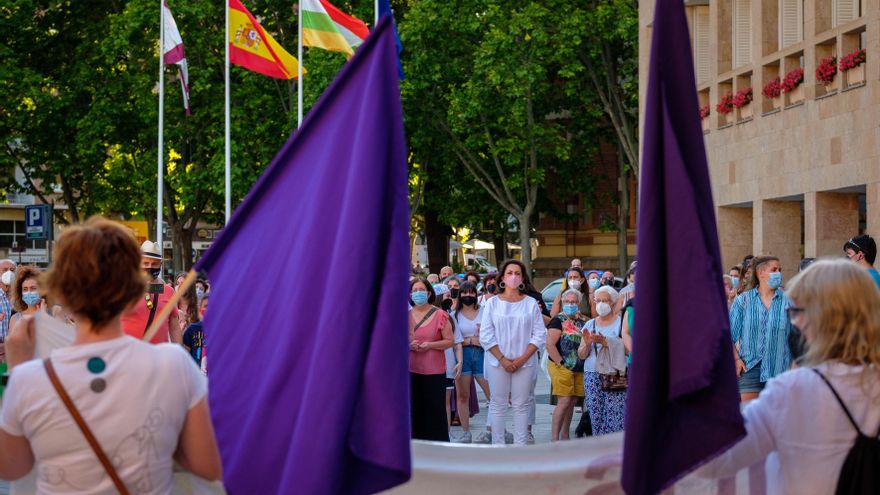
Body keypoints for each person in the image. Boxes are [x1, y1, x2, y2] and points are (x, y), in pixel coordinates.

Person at [0, 217, 221, 491]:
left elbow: (11, 467)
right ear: (134, 290)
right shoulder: (173, 366)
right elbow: (208, 466)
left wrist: (18, 367)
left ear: (64, 294)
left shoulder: (30, 379)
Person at [698, 259, 880, 493]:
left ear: (821, 317)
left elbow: (714, 460)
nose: (794, 321)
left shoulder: (793, 389)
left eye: (797, 310)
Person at [479, 260, 547, 445]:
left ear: (523, 277)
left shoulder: (531, 303)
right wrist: (503, 359)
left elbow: (539, 334)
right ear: (502, 277)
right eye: (509, 273)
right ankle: (498, 447)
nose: (513, 277)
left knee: (521, 405)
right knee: (498, 404)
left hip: (524, 363)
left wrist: (521, 359)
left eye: (517, 273)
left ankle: (520, 447)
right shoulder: (492, 304)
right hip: (497, 362)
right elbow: (486, 335)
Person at [730, 256, 793, 401]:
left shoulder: (789, 301)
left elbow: (797, 338)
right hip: (749, 369)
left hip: (780, 371)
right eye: (774, 270)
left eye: (780, 270)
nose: (779, 273)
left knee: (778, 420)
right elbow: (730, 335)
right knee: (750, 419)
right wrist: (736, 359)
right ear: (761, 273)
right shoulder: (743, 300)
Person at [409, 278, 454, 441]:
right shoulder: (405, 315)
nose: (418, 293)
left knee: (435, 409)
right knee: (414, 409)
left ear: (429, 293)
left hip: (434, 371)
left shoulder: (440, 315)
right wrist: (408, 345)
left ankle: (438, 447)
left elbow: (450, 341)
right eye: (414, 290)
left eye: (421, 290)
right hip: (411, 370)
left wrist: (431, 345)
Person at [577, 286, 626, 435]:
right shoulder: (589, 324)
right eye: (598, 301)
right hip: (592, 374)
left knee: (614, 413)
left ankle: (614, 447)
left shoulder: (620, 323)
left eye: (605, 301)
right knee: (595, 413)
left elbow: (628, 349)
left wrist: (606, 342)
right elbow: (581, 354)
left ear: (612, 303)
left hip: (614, 373)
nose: (601, 304)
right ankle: (599, 445)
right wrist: (587, 344)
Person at [120, 241, 182, 344]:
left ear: (160, 265)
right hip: (129, 353)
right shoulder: (125, 287)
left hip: (158, 354)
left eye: (154, 264)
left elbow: (174, 326)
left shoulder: (168, 291)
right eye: (146, 263)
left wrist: (179, 353)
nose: (150, 267)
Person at [546, 289, 587, 441]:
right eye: (568, 302)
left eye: (574, 302)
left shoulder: (582, 321)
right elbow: (550, 345)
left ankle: (565, 435)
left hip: (578, 366)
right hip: (561, 365)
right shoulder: (558, 320)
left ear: (579, 303)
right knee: (564, 401)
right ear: (563, 303)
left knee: (572, 401)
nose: (571, 304)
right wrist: (561, 363)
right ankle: (554, 438)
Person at [451, 281, 485, 443]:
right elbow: (453, 340)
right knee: (463, 396)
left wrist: (470, 340)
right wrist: (471, 340)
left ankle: (495, 428)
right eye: (464, 293)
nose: (468, 296)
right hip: (462, 357)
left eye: (471, 293)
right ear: (459, 295)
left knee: (492, 394)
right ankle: (466, 432)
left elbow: (491, 335)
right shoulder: (453, 315)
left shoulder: (485, 312)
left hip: (483, 355)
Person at [183, 295, 208, 367]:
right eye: (206, 306)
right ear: (199, 308)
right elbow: (186, 356)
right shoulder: (192, 329)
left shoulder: (222, 330)